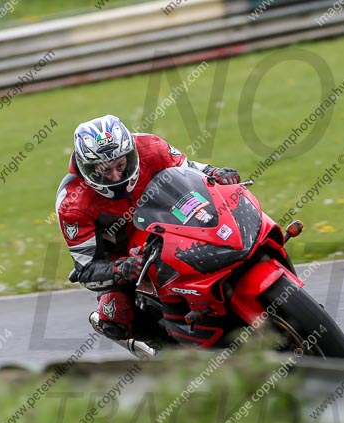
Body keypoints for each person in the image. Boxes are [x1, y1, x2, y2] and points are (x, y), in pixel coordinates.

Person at [55, 114, 241, 341]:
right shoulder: (72, 202)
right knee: (113, 314)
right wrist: (120, 269)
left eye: (121, 165)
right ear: (88, 169)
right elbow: (85, 270)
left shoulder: (150, 147)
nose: (116, 176)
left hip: (175, 221)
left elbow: (190, 170)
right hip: (126, 257)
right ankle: (167, 354)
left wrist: (215, 173)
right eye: (105, 170)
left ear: (130, 155)